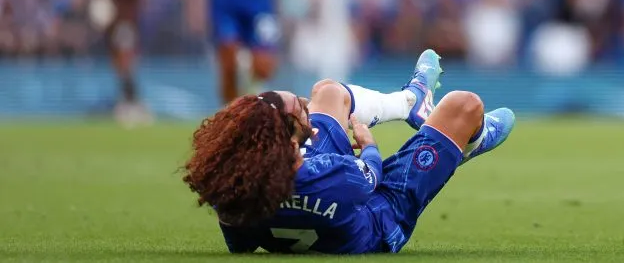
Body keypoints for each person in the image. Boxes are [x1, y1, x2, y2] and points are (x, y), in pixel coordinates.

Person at [182, 50, 515, 254]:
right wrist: (366, 142)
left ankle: (411, 101)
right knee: (465, 105)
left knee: (327, 91)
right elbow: (371, 175)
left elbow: (240, 245)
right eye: (301, 109)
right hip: (378, 218)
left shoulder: (234, 186)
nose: (306, 109)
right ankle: (466, 142)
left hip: (311, 185)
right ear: (289, 137)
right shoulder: (330, 173)